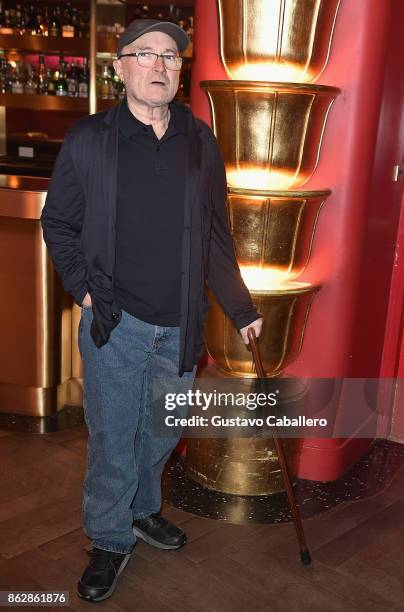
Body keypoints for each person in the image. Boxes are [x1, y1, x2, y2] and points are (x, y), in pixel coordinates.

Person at [41, 19, 263, 603]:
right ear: (121, 67)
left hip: (182, 325)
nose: (160, 65)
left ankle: (141, 511)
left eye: (170, 55)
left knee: (161, 434)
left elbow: (215, 231)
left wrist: (239, 308)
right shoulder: (91, 140)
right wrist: (86, 290)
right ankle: (110, 539)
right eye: (146, 55)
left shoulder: (199, 139)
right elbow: (57, 223)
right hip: (117, 323)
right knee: (114, 439)